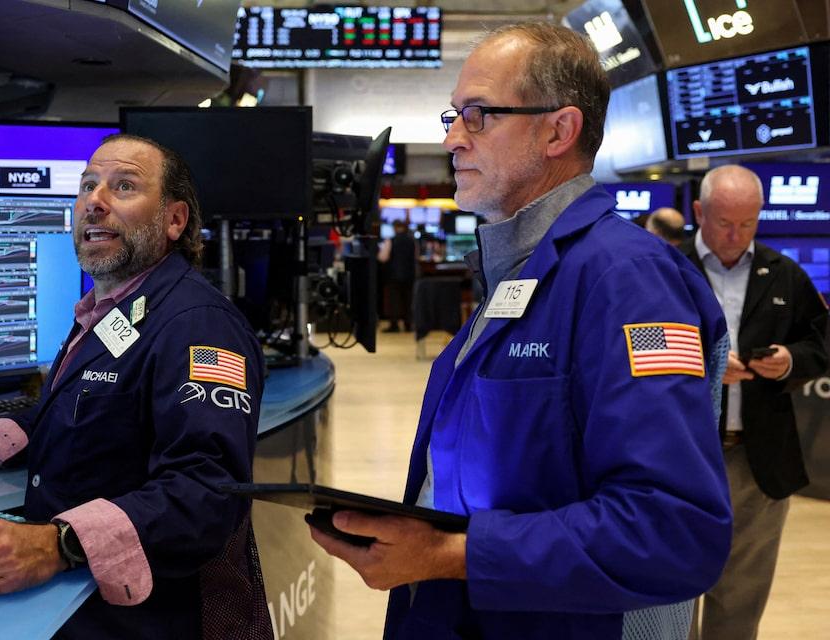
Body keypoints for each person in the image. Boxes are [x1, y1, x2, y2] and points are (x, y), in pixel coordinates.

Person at [308, 22, 733, 639]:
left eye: (478, 116)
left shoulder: (628, 281)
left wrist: (450, 555)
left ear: (559, 131)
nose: (452, 138)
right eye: (454, 115)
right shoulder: (517, 271)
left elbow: (674, 530)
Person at [0, 134, 272, 640]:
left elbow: (207, 490)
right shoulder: (117, 311)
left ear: (175, 220)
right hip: (81, 605)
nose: (95, 201)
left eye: (124, 186)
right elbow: (75, 407)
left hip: (153, 620)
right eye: (88, 185)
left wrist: (57, 544)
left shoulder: (200, 326)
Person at [681, 165, 829, 640]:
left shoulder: (784, 273)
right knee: (677, 585)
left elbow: (820, 344)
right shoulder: (666, 268)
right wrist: (703, 364)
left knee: (741, 594)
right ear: (699, 211)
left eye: (748, 223)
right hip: (682, 456)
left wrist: (789, 361)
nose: (736, 235)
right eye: (725, 222)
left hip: (757, 459)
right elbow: (633, 346)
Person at [378, 219, 418, 332]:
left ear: (394, 227)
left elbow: (383, 257)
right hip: (409, 275)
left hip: (393, 275)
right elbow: (416, 256)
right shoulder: (412, 241)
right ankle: (408, 324)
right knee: (408, 300)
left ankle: (394, 325)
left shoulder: (390, 240)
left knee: (394, 301)